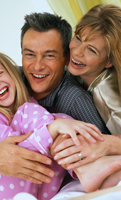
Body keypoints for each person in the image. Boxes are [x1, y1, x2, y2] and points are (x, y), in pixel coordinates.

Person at [0, 12, 111, 199]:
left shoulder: (72, 99)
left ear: (66, 58)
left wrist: (56, 129)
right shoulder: (6, 79)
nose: (37, 66)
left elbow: (101, 143)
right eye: (30, 54)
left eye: (49, 55)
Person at [53, 4, 121, 193]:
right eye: (78, 38)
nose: (77, 51)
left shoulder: (105, 92)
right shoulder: (75, 74)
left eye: (91, 50)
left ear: (109, 61)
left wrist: (106, 145)